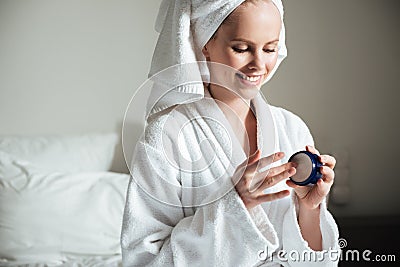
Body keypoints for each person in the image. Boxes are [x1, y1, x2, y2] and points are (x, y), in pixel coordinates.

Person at [121, 0, 339, 266]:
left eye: (270, 48)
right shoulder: (165, 136)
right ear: (205, 44)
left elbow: (311, 259)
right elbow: (143, 260)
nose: (258, 64)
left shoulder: (291, 127)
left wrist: (309, 208)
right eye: (242, 48)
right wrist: (235, 206)